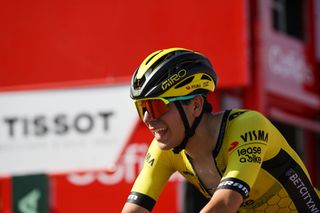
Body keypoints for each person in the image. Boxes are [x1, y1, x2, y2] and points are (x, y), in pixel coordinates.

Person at [121, 47, 320, 213]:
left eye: (157, 106)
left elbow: (225, 203)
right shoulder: (163, 149)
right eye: (142, 108)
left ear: (196, 105)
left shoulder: (247, 126)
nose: (148, 118)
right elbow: (134, 210)